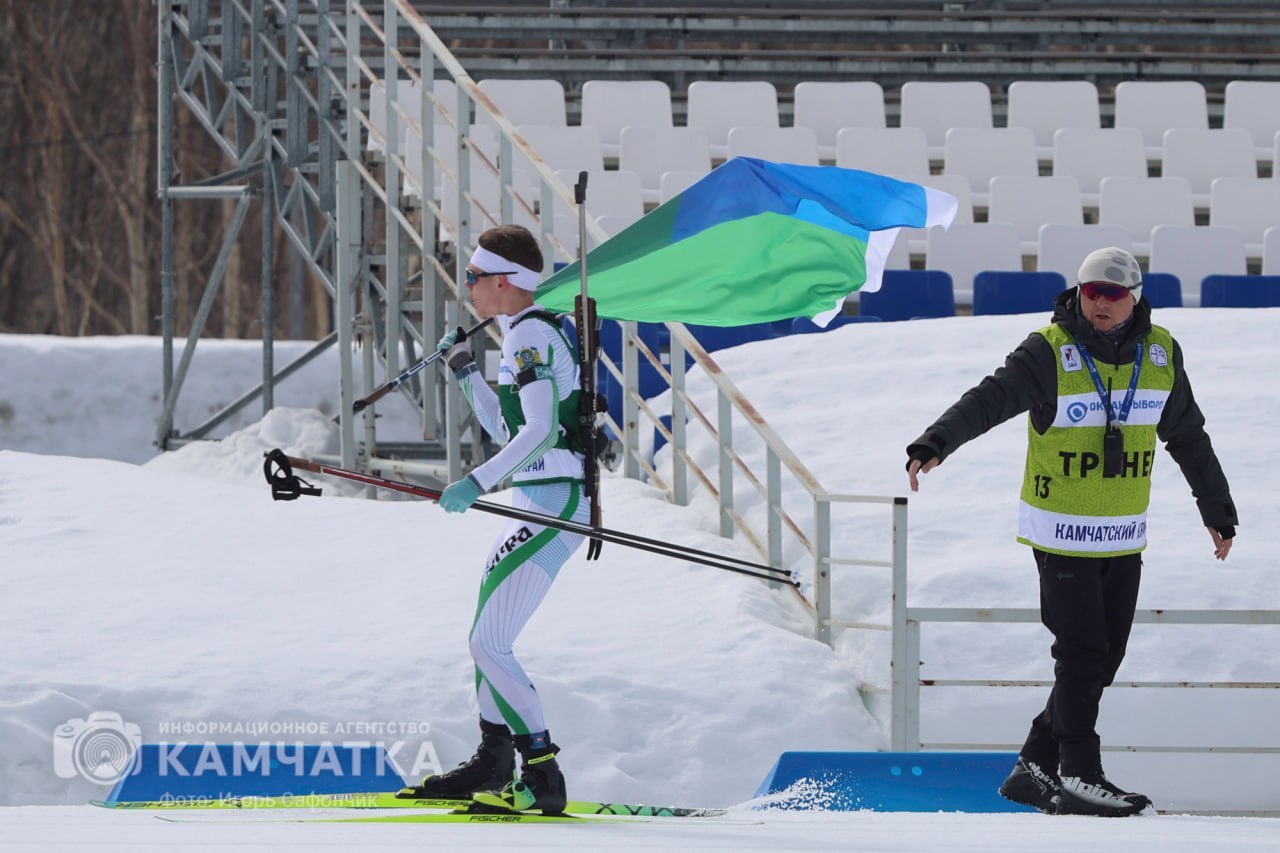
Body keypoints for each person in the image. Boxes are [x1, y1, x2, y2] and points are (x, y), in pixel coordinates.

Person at [904, 247, 1237, 817]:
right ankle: (1080, 772)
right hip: (1061, 531)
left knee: (1105, 657)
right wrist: (935, 442)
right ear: (1078, 293)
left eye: (1113, 294)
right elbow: (990, 397)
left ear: (1135, 297)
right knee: (1081, 653)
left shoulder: (1160, 354)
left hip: (1122, 533)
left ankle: (1035, 765)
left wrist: (1216, 509)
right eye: (1090, 291)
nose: (1100, 303)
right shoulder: (1048, 350)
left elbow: (1188, 434)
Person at [396, 225, 590, 814]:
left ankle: (541, 774)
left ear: (503, 281)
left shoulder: (529, 334)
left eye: (475, 278)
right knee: (487, 634)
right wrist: (464, 372)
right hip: (538, 497)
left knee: (488, 642)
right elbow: (510, 429)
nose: (469, 288)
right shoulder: (523, 333)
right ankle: (493, 758)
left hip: (556, 498)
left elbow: (540, 432)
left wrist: (475, 483)